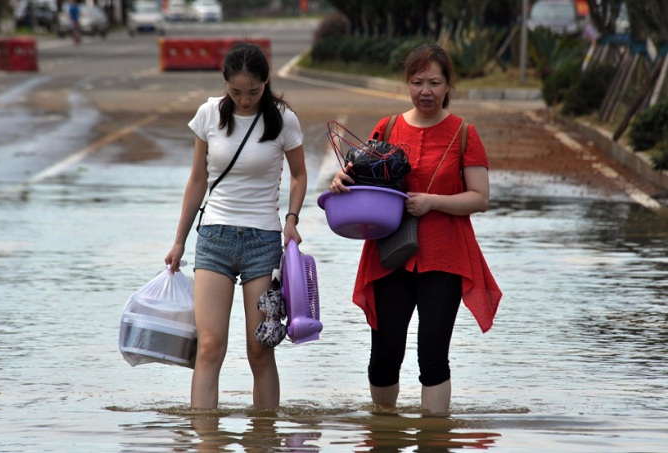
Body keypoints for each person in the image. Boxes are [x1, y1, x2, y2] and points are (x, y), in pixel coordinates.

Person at [329, 44, 502, 415]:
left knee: (433, 356)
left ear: (447, 85)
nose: (426, 90)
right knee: (384, 354)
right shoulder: (387, 128)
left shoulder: (464, 134)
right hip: (390, 253)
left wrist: (432, 202)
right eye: (417, 81)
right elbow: (361, 181)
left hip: (445, 258)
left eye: (434, 82)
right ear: (407, 83)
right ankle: (383, 430)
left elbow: (480, 198)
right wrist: (342, 180)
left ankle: (434, 438)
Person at [165, 43, 307, 409]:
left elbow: (299, 175)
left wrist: (292, 219)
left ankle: (265, 438)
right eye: (236, 91)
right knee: (210, 346)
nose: (245, 100)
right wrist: (179, 241)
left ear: (267, 83)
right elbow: (197, 180)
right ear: (225, 83)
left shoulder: (283, 119)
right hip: (214, 238)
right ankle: (205, 439)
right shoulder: (209, 114)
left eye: (254, 92)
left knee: (260, 347)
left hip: (263, 241)